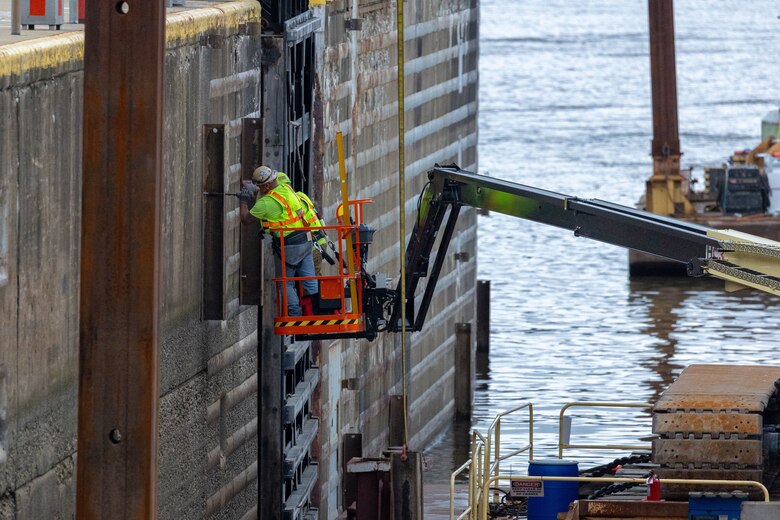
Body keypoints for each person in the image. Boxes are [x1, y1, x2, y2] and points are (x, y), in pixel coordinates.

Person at [239, 166, 319, 317]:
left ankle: (295, 314)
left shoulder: (265, 204)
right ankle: (317, 311)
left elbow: (246, 219)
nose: (259, 190)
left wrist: (244, 200)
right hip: (305, 240)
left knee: (285, 282)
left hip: (288, 247)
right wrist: (252, 186)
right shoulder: (286, 188)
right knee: (309, 279)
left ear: (267, 186)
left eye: (260, 187)